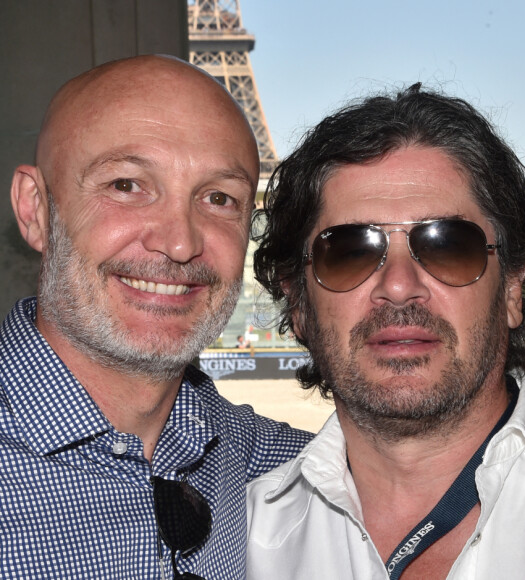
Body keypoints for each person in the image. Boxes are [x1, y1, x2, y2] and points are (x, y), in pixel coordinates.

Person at [247, 85, 525, 579]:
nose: (399, 287)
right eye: (349, 251)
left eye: (448, 244)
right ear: (297, 303)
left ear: (512, 288)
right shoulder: (245, 535)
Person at [1, 55, 312, 579]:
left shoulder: (273, 462)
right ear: (36, 209)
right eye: (126, 185)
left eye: (219, 198)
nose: (180, 241)